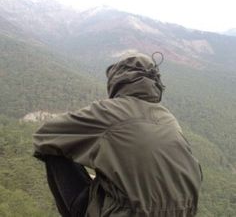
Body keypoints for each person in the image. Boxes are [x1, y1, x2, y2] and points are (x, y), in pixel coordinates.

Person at [33, 52, 203, 217]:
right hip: (185, 211)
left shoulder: (109, 111)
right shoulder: (168, 118)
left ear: (117, 80)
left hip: (130, 213)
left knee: (53, 148)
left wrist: (91, 163)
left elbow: (44, 136)